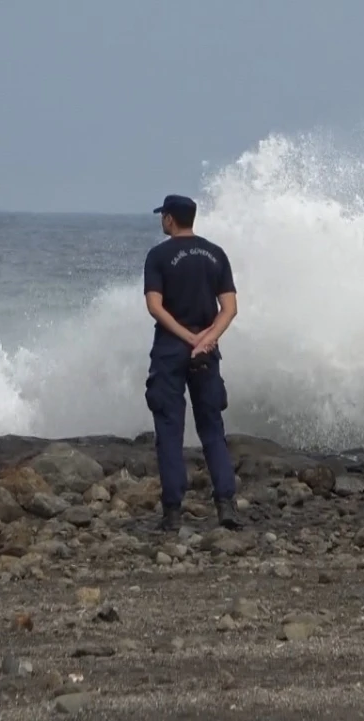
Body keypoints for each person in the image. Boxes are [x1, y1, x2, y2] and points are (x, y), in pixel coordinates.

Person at [143, 194, 241, 532]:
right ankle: (226, 505)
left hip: (171, 349)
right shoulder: (216, 254)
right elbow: (229, 308)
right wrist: (207, 339)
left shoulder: (158, 255)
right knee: (212, 428)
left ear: (169, 219)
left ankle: (173, 512)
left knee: (170, 430)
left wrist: (187, 338)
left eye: (163, 217)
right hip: (207, 350)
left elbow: (155, 307)